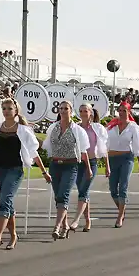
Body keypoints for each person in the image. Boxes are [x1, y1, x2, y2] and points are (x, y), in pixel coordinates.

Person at [0, 98, 51, 252]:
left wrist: (44, 172)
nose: (6, 111)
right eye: (4, 108)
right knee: (7, 203)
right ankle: (14, 235)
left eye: (9, 108)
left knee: (5, 201)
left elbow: (34, 153)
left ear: (15, 111)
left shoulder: (23, 130)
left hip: (15, 170)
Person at [42, 101, 90, 240]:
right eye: (61, 108)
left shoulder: (77, 130)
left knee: (64, 195)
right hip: (55, 165)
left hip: (71, 165)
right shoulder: (53, 128)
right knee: (58, 197)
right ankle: (65, 225)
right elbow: (45, 145)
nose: (63, 111)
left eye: (66, 108)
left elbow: (83, 151)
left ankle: (57, 226)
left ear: (71, 111)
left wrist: (88, 169)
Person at [69, 103, 109, 232]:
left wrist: (107, 166)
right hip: (78, 162)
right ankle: (88, 221)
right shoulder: (76, 127)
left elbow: (103, 148)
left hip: (91, 162)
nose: (82, 113)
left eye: (85, 111)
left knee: (84, 190)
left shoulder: (97, 128)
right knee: (82, 191)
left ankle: (76, 220)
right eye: (80, 111)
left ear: (90, 112)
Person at [106, 102, 139, 228]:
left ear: (129, 112)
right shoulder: (112, 125)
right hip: (112, 158)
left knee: (123, 187)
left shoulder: (133, 127)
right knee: (113, 190)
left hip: (126, 158)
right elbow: (104, 141)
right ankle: (122, 208)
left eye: (124, 110)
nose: (121, 113)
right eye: (120, 110)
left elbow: (138, 146)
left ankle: (120, 215)